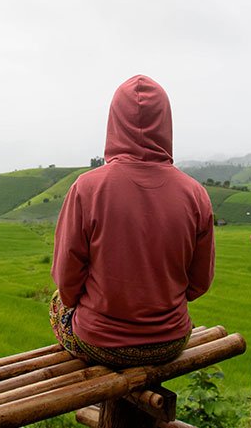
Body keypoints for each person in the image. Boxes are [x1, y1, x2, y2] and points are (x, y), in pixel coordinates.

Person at [50, 75, 215, 367]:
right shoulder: (195, 193)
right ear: (166, 122)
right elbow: (199, 283)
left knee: (56, 303)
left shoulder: (87, 189)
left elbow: (67, 283)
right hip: (171, 341)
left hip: (102, 344)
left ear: (114, 122)